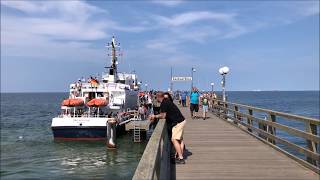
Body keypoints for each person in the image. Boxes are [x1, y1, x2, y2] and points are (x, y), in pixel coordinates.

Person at [149, 92, 186, 164]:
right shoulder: (167, 101)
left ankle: (181, 158)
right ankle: (179, 156)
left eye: (156, 98)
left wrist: (154, 116)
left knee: (174, 139)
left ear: (158, 97)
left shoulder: (164, 103)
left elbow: (163, 116)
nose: (156, 100)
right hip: (181, 120)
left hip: (178, 122)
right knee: (180, 140)